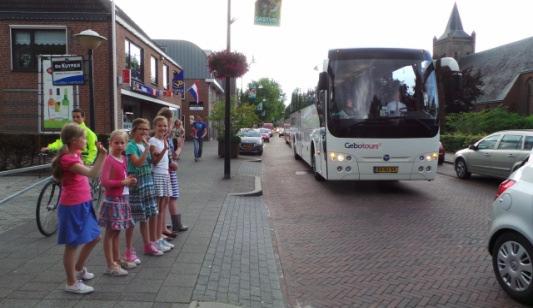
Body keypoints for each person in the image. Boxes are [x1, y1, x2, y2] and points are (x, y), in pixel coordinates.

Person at [50, 123, 106, 294]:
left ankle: (79, 268)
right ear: (74, 140)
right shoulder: (68, 159)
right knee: (72, 245)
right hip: (72, 206)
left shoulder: (75, 154)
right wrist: (103, 156)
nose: (86, 140)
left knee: (95, 237)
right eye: (83, 137)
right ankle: (71, 282)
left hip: (83, 203)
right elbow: (92, 174)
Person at [98, 130, 137, 276]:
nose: (119, 145)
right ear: (110, 143)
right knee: (110, 232)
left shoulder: (123, 158)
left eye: (122, 143)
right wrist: (123, 182)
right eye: (116, 143)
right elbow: (105, 181)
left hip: (123, 199)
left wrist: (130, 181)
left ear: (126, 144)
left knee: (117, 231)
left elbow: (123, 178)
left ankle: (117, 259)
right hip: (113, 200)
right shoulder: (109, 159)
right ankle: (110, 264)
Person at [124, 118, 161, 260]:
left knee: (145, 216)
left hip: (147, 182)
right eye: (141, 129)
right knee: (132, 219)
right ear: (134, 130)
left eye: (146, 129)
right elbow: (137, 163)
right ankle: (128, 249)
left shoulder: (145, 144)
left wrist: (160, 151)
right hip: (136, 185)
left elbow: (152, 162)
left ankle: (147, 244)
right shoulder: (131, 146)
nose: (144, 132)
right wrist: (147, 149)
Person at [157, 108, 188, 238]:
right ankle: (171, 226)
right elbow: (169, 156)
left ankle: (165, 226)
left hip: (168, 171)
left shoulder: (167, 137)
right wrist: (180, 148)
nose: (168, 128)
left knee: (168, 199)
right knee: (170, 198)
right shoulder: (162, 138)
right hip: (166, 173)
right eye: (168, 124)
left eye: (168, 125)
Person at [148, 116, 174, 253]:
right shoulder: (152, 141)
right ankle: (155, 239)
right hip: (157, 175)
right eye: (160, 126)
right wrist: (164, 148)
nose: (163, 128)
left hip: (165, 175)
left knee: (163, 207)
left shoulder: (163, 140)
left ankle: (159, 237)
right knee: (157, 209)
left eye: (164, 126)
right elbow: (155, 161)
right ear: (154, 127)